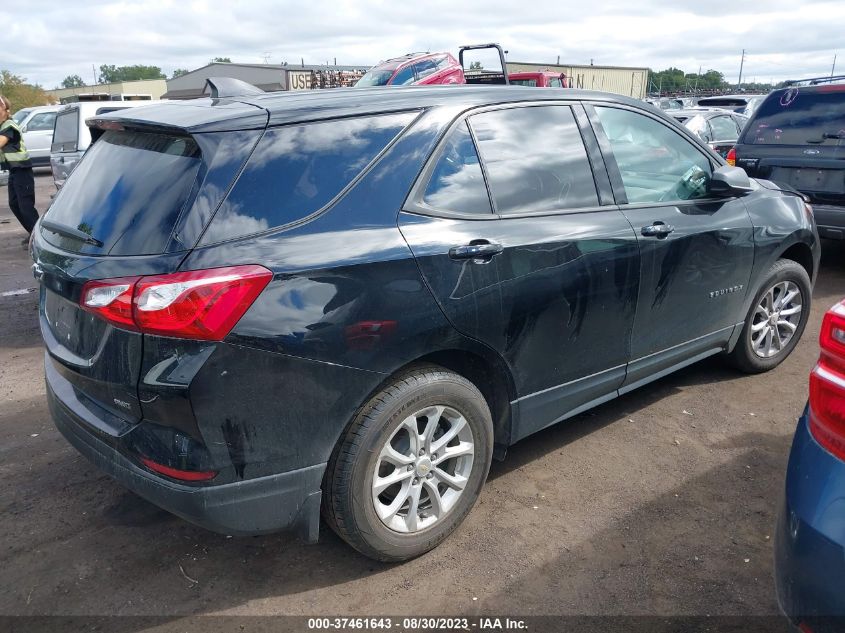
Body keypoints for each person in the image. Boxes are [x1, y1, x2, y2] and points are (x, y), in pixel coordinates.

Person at [0, 95, 39, 244]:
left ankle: (38, 237)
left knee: (26, 206)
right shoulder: (2, 126)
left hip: (23, 170)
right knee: (14, 204)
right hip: (14, 171)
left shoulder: (9, 126)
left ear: (4, 109)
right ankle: (32, 231)